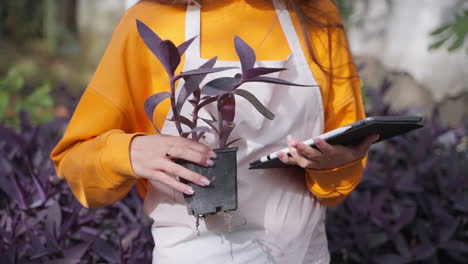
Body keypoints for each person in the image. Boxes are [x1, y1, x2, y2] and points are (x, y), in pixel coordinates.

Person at [51, 0, 378, 263]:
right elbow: (75, 160)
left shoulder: (316, 16)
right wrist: (128, 152)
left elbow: (340, 171)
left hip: (303, 254)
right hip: (192, 252)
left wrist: (335, 161)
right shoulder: (151, 19)